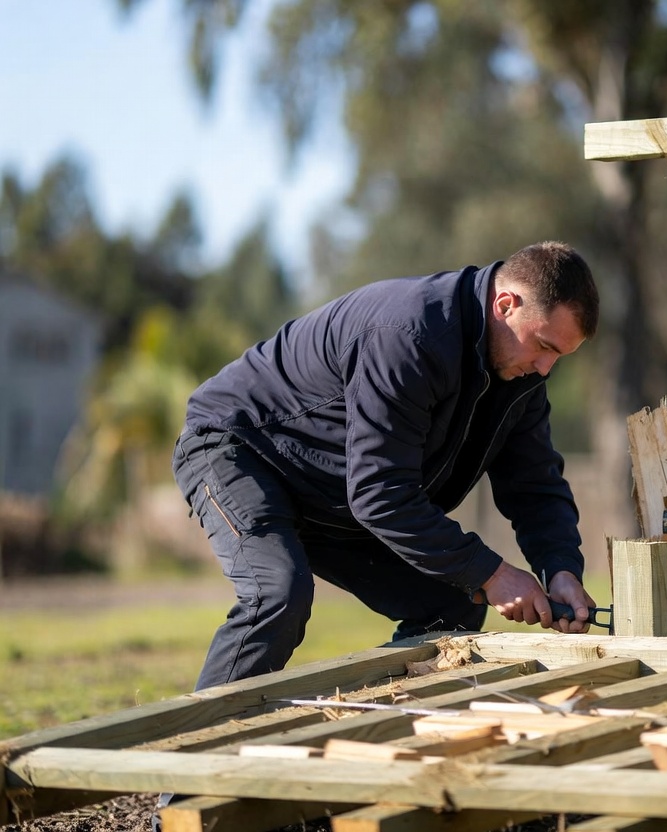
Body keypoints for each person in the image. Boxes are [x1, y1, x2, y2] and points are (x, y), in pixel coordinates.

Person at [171, 240, 600, 692]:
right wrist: (492, 573)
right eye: (543, 346)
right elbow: (381, 492)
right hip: (239, 449)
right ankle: (195, 747)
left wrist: (560, 569)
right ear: (505, 304)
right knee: (276, 596)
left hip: (337, 492)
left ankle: (381, 727)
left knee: (451, 605)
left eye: (558, 356)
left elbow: (533, 486)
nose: (546, 368)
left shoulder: (522, 376)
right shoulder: (409, 335)